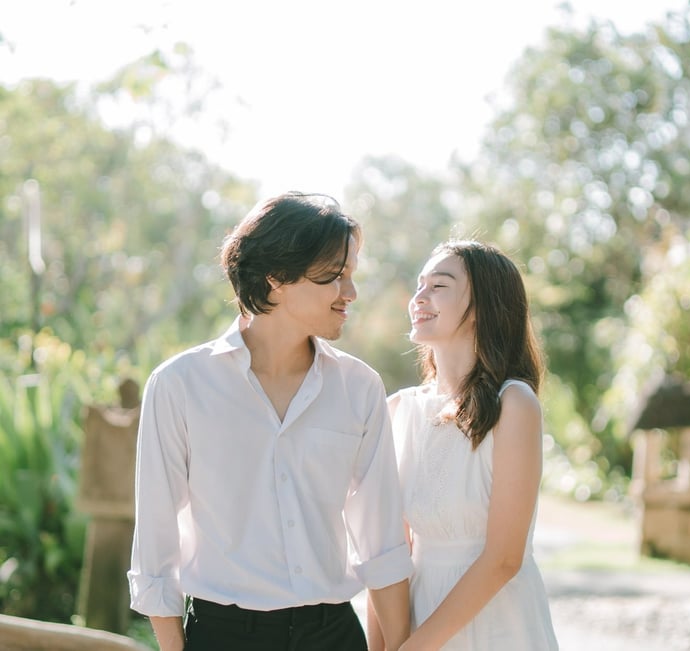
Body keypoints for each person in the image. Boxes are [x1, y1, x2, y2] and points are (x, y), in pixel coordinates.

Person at [127, 192, 412, 651]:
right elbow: (156, 546)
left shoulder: (359, 387)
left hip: (333, 635)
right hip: (223, 636)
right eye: (336, 277)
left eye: (352, 276)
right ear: (277, 278)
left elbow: (381, 545)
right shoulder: (180, 385)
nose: (351, 294)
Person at [368, 239, 558, 650]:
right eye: (420, 285)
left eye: (439, 285)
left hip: (498, 625)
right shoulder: (399, 409)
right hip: (418, 617)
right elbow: (387, 555)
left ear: (483, 306)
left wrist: (415, 648)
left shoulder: (514, 404)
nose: (419, 297)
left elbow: (504, 559)